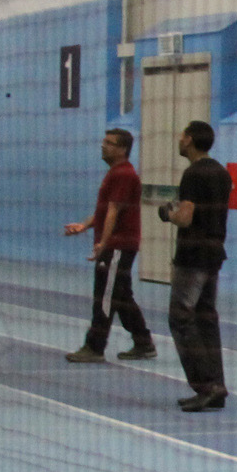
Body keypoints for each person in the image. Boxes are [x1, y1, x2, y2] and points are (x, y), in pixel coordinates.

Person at [64, 129, 156, 364]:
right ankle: (144, 342)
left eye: (109, 143)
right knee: (121, 296)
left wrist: (103, 244)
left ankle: (94, 347)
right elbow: (104, 211)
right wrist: (83, 226)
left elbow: (114, 211)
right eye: (103, 141)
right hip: (116, 245)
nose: (103, 146)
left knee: (104, 296)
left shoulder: (124, 175)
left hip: (118, 246)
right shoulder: (115, 174)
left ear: (123, 149)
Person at [160, 121, 230, 412]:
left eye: (181, 135)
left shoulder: (193, 173)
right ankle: (218, 385)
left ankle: (204, 385)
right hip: (214, 252)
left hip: (193, 255)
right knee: (206, 319)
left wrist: (167, 214)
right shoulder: (222, 173)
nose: (179, 139)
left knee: (180, 318)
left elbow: (185, 217)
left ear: (189, 139)